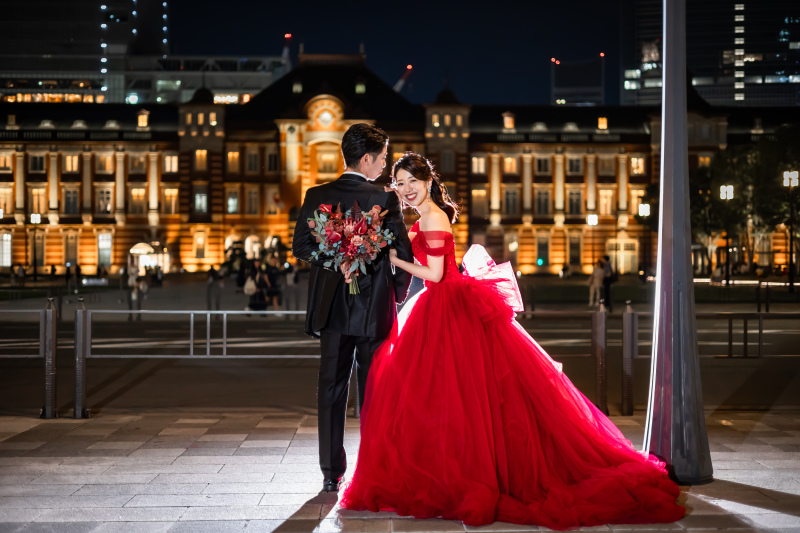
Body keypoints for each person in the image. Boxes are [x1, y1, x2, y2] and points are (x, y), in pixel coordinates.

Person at [340, 153, 684, 529]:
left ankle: (460, 471)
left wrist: (394, 257)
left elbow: (436, 274)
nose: (406, 190)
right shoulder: (424, 217)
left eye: (412, 182)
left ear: (427, 181)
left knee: (454, 395)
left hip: (445, 305)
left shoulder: (434, 217)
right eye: (400, 183)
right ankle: (444, 465)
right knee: (447, 397)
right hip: (440, 307)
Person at [292, 123, 413, 493]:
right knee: (374, 390)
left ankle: (331, 473)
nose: (384, 165)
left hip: (330, 309)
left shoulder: (316, 194)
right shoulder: (385, 198)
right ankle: (373, 467)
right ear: (366, 158)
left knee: (331, 388)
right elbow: (403, 254)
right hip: (372, 308)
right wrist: (396, 294)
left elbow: (300, 247)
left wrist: (334, 257)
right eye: (383, 158)